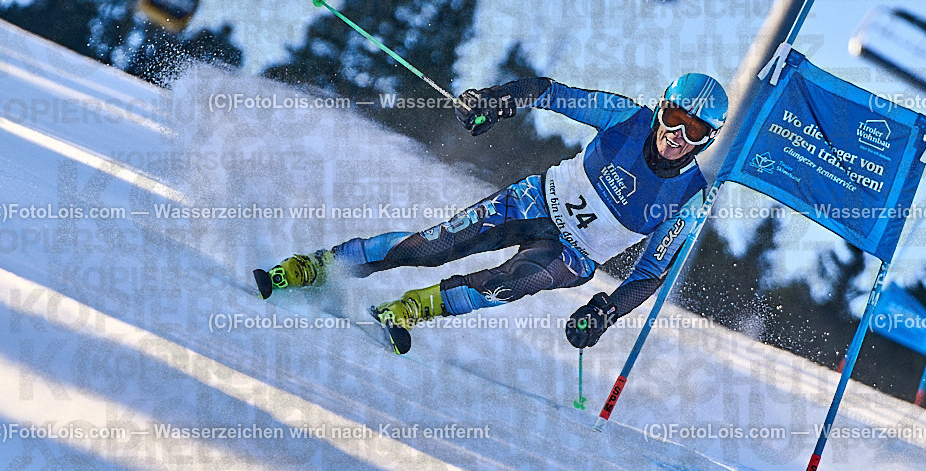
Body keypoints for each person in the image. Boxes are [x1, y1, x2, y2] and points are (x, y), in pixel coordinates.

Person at [260, 73, 728, 350]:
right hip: (535, 201)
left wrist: (604, 313)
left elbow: (649, 274)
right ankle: (317, 266)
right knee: (435, 246)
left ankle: (408, 310)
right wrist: (495, 100)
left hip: (575, 256)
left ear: (707, 141)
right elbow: (548, 92)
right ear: (661, 107)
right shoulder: (627, 117)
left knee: (512, 282)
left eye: (694, 133)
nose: (676, 138)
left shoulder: (688, 199)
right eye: (674, 120)